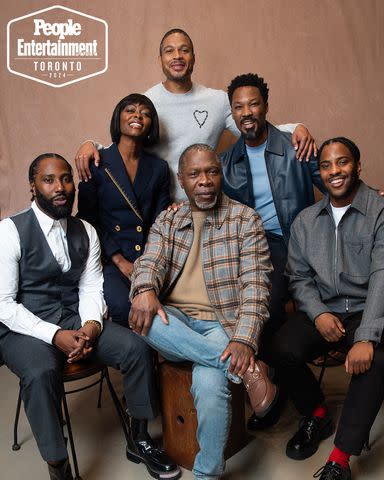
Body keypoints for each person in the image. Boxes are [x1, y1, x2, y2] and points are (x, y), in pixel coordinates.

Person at [0, 154, 180, 480]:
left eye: (66, 179)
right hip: (23, 328)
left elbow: (91, 288)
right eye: (49, 180)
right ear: (33, 186)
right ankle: (59, 466)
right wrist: (55, 336)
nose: (60, 188)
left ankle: (139, 438)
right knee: (41, 372)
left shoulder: (86, 230)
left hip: (74, 318)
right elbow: (4, 305)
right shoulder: (9, 231)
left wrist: (91, 327)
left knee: (136, 347)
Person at [128, 143, 275, 480]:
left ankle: (206, 475)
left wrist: (244, 340)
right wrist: (146, 288)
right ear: (182, 179)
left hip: (221, 323)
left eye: (211, 171)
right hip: (174, 320)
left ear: (220, 175)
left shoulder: (245, 219)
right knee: (145, 321)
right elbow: (149, 260)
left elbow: (256, 288)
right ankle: (250, 371)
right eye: (194, 174)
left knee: (210, 387)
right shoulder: (168, 218)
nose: (205, 180)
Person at [74, 29, 317, 201]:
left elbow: (254, 129)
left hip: (207, 202)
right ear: (160, 60)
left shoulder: (218, 100)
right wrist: (92, 145)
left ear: (193, 58)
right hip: (160, 206)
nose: (177, 56)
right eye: (169, 51)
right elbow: (126, 147)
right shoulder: (147, 102)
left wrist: (297, 127)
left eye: (184, 50)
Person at [269, 137, 384, 479]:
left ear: (358, 166)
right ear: (318, 173)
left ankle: (339, 458)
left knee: (375, 360)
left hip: (368, 310)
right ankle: (316, 413)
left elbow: (382, 275)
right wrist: (318, 313)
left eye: (343, 162)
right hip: (325, 309)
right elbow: (298, 277)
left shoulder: (379, 211)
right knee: (279, 348)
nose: (335, 171)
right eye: (326, 165)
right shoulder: (306, 221)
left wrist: (366, 336)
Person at [220, 72, 326, 429]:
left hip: (291, 242)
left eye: (253, 104)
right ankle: (277, 389)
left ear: (266, 107)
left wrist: (370, 197)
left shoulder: (294, 146)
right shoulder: (226, 162)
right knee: (251, 307)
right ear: (232, 114)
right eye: (238, 107)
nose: (246, 112)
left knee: (263, 304)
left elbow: (333, 180)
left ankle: (286, 396)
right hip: (251, 247)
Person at [77, 93, 170, 327]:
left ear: (151, 125)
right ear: (118, 118)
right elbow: (88, 221)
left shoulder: (159, 167)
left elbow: (161, 221)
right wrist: (119, 261)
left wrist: (148, 262)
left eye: (146, 113)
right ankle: (142, 360)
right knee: (122, 308)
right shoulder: (97, 163)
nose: (138, 115)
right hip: (110, 258)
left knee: (167, 308)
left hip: (148, 259)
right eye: (130, 110)